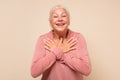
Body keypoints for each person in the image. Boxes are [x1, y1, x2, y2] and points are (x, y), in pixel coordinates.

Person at [31, 5, 91, 80]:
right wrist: (55, 53)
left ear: (69, 21)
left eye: (63, 16)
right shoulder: (43, 39)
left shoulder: (78, 38)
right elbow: (34, 72)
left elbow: (86, 70)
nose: (60, 19)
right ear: (50, 22)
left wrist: (62, 55)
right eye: (55, 16)